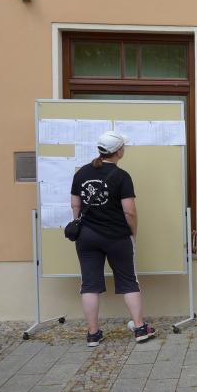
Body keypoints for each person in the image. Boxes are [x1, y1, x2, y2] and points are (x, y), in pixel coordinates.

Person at [70, 131, 156, 347]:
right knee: (128, 281)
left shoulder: (81, 173)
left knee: (89, 284)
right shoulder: (121, 176)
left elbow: (75, 205)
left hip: (87, 236)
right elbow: (130, 212)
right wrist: (133, 233)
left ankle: (93, 334)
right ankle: (139, 328)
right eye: (123, 147)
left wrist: (82, 225)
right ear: (118, 151)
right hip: (117, 236)